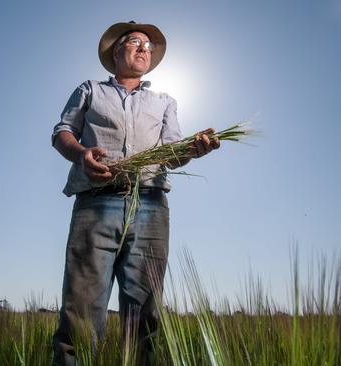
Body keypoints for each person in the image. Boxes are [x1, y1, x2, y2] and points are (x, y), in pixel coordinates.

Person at [51, 21, 220, 365]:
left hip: (150, 204)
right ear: (116, 52)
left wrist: (194, 148)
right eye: (135, 42)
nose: (144, 48)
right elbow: (62, 132)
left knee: (145, 314)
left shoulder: (164, 102)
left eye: (148, 45)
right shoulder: (90, 90)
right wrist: (81, 154)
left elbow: (173, 153)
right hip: (97, 202)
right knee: (81, 311)